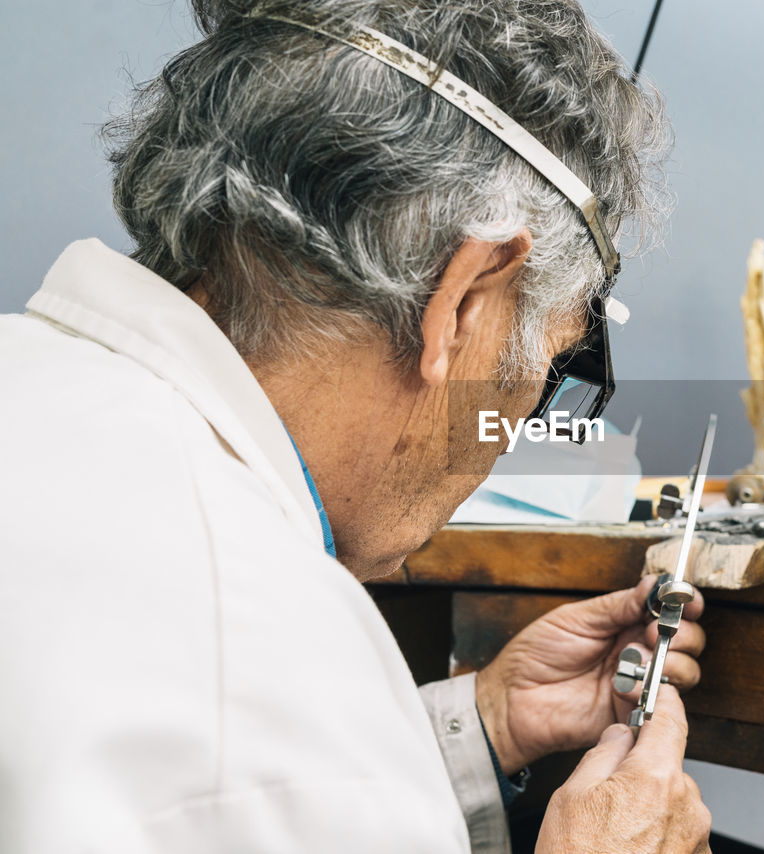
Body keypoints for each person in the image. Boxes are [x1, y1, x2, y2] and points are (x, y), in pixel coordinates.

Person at [0, 1, 712, 851]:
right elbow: (269, 766)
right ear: (464, 302)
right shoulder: (283, 671)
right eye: (555, 364)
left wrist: (470, 731)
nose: (516, 426)